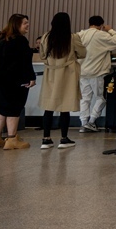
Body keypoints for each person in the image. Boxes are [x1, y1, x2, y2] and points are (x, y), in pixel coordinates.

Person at [38, 12, 86, 149]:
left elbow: (42, 55)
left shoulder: (45, 37)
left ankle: (46, 139)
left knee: (48, 107)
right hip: (67, 74)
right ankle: (64, 139)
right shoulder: (72, 37)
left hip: (51, 74)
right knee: (65, 108)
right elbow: (83, 53)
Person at [0, 14, 35, 150]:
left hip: (0, 79)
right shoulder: (20, 40)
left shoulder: (2, 38)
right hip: (16, 80)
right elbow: (25, 62)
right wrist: (31, 77)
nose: (27, 25)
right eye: (25, 23)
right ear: (17, 25)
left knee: (2, 108)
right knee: (15, 108)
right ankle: (12, 138)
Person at [76, 16, 116, 132]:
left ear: (89, 23)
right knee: (100, 98)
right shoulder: (102, 35)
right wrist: (110, 30)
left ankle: (83, 123)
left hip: (82, 71)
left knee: (84, 98)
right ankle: (92, 121)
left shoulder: (80, 35)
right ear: (101, 25)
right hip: (97, 72)